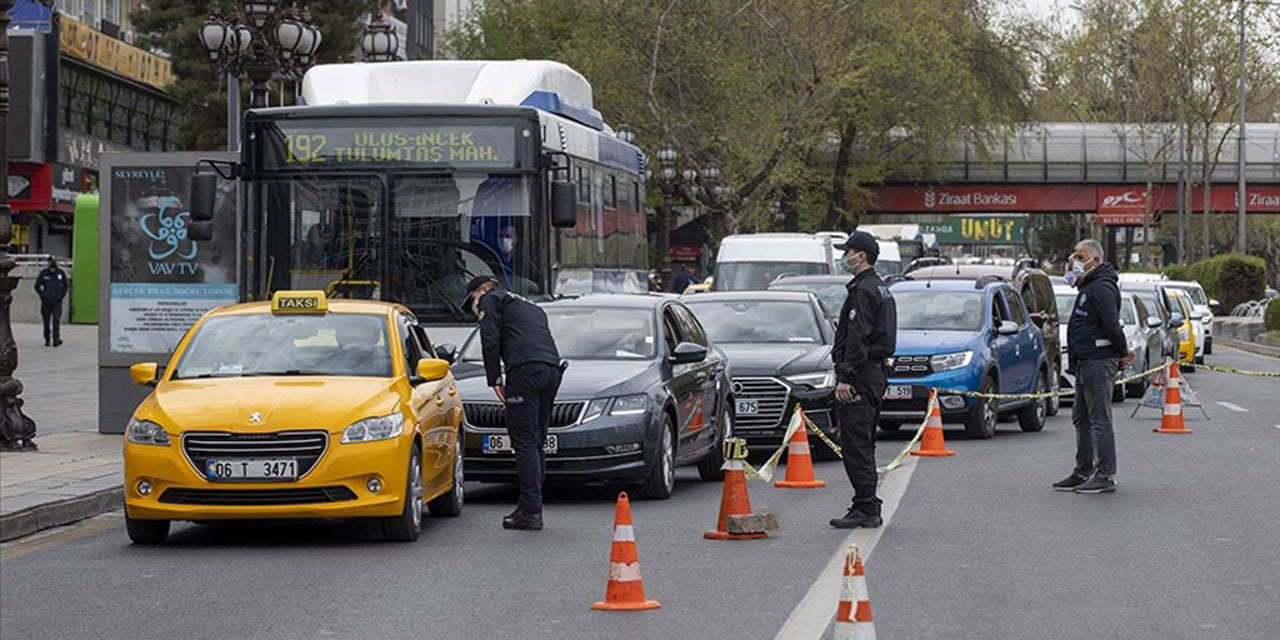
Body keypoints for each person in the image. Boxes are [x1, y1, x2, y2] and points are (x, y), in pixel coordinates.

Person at [463, 275, 563, 530]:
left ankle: (531, 511)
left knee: (524, 441)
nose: (474, 309)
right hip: (551, 370)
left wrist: (494, 379)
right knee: (537, 441)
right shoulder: (530, 305)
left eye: (472, 300)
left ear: (481, 290)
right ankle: (530, 504)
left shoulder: (490, 299)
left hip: (525, 371)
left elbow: (490, 338)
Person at [828, 231, 897, 529]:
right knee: (863, 441)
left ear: (862, 256)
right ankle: (865, 502)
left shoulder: (863, 291)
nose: (845, 257)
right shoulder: (880, 288)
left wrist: (846, 376)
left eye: (849, 252)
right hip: (874, 373)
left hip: (861, 375)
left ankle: (867, 506)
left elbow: (857, 337)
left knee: (855, 442)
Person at [1055, 240, 1132, 495]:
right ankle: (1083, 470)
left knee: (1099, 418)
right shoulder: (1088, 286)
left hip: (1098, 361)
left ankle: (1105, 475)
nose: (1074, 262)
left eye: (1080, 257)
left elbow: (1112, 325)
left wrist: (1122, 352)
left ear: (1095, 261)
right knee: (1082, 417)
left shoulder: (1101, 288)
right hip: (1085, 361)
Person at [34, 256, 68, 347]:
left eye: (54, 261)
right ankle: (47, 339)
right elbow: (37, 286)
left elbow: (65, 285)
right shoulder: (44, 273)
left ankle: (56, 339)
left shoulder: (61, 273)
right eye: (51, 261)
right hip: (46, 302)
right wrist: (43, 295)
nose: (52, 263)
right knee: (46, 321)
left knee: (56, 320)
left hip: (57, 301)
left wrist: (61, 295)